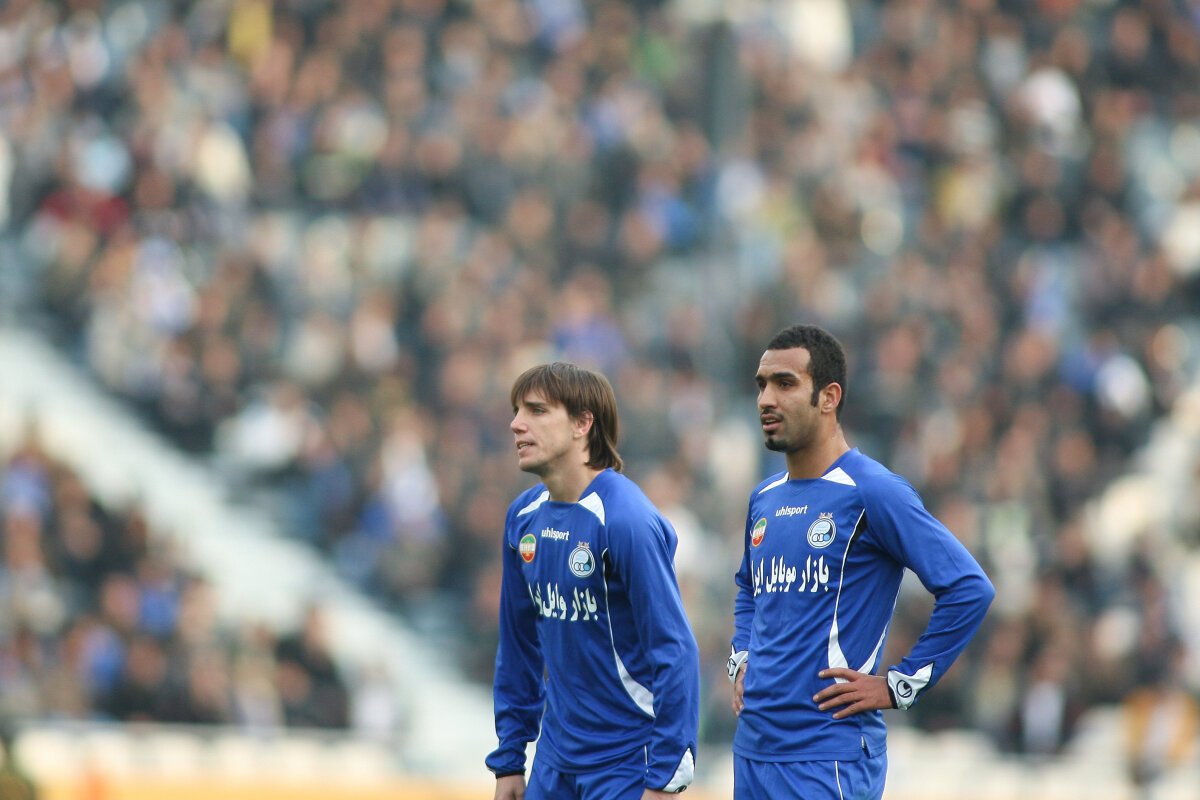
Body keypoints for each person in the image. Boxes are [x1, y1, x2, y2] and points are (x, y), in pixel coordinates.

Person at [728, 325, 995, 799]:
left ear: (829, 397)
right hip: (753, 751)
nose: (766, 399)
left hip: (827, 756)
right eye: (761, 385)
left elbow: (969, 588)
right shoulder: (764, 497)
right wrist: (741, 658)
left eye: (785, 384)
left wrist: (897, 685)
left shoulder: (873, 491)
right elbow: (749, 587)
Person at [486, 362, 701, 799]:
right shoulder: (523, 517)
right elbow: (518, 645)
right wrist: (509, 757)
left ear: (583, 424)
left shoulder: (626, 519)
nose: (516, 424)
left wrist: (665, 778)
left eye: (536, 410)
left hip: (627, 763)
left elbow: (675, 651)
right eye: (516, 411)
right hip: (554, 762)